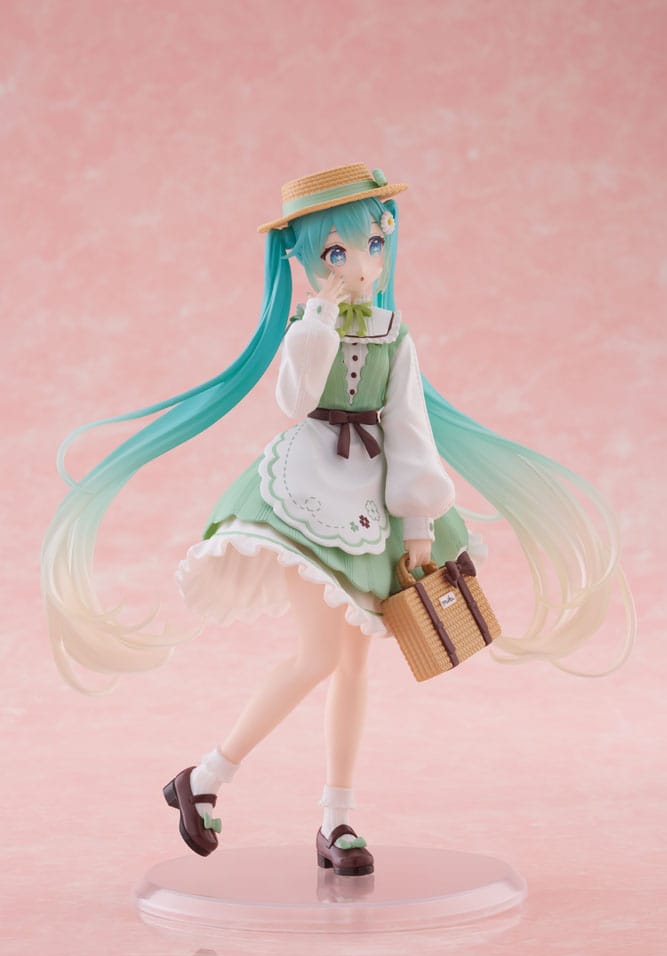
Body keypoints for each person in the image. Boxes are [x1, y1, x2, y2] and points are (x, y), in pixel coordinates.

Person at [42, 163, 635, 876]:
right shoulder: (306, 327)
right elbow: (292, 399)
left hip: (373, 499)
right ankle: (205, 776)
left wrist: (419, 527)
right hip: (308, 490)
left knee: (353, 666)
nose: (359, 265)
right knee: (318, 657)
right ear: (301, 258)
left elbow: (410, 429)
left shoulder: (394, 333)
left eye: (372, 246)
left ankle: (335, 819)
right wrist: (318, 320)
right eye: (336, 252)